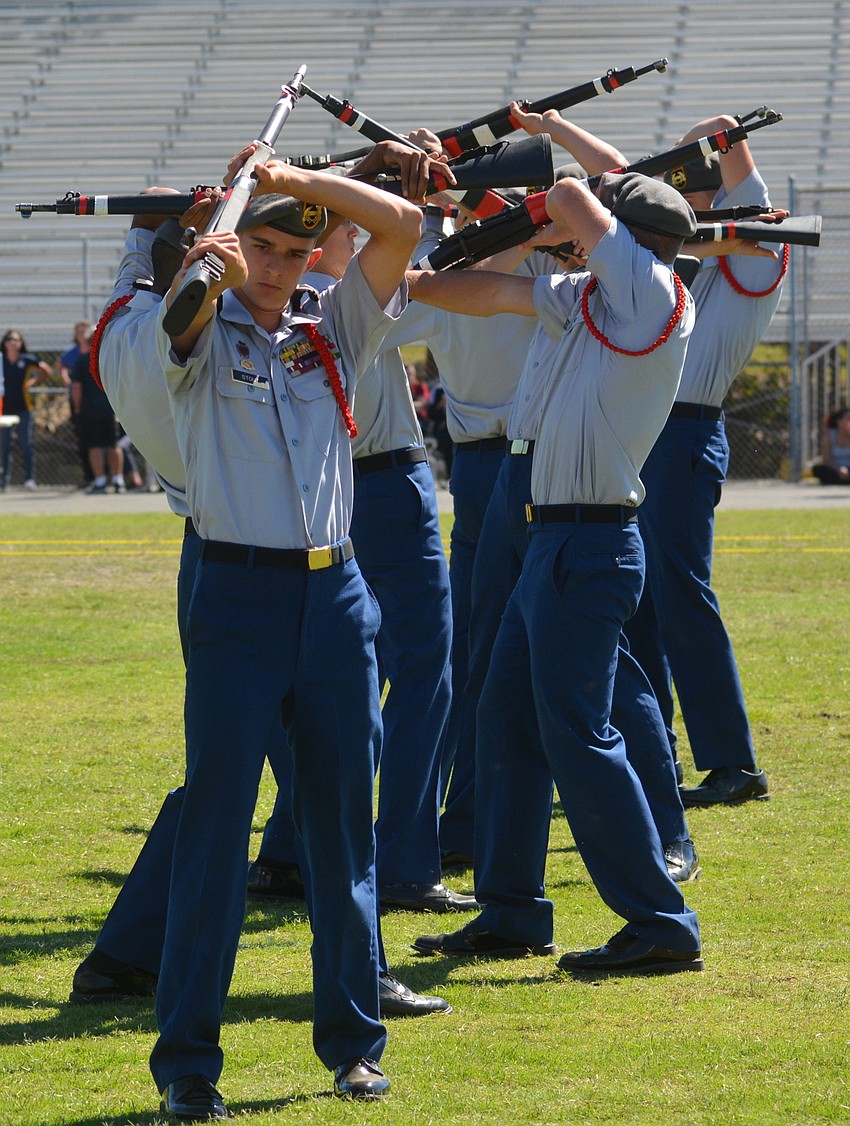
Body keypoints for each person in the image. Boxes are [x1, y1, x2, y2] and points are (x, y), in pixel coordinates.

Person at [139, 147, 425, 1116]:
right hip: (237, 597)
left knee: (344, 828)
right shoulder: (202, 330)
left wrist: (302, 181)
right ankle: (186, 1066)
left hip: (335, 598)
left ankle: (352, 1043)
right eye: (256, 246)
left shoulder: (333, 326)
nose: (271, 266)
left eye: (287, 251)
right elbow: (177, 322)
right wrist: (202, 269)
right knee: (216, 836)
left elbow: (403, 226)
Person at [403, 170, 703, 974]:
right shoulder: (594, 297)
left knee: (578, 735)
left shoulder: (651, 291)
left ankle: (662, 923)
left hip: (588, 544)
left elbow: (570, 193)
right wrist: (405, 279)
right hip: (553, 544)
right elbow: (488, 296)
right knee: (504, 724)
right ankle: (511, 912)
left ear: (624, 239)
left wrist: (542, 218)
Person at [247, 213, 474, 913]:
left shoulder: (271, 305)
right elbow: (428, 275)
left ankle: (288, 850)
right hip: (387, 482)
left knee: (339, 681)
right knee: (422, 678)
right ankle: (406, 859)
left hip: (324, 494)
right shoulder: (349, 295)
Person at [623, 117, 783, 808]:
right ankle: (649, 747)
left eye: (699, 197)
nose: (690, 214)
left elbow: (730, 150)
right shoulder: (699, 260)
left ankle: (732, 762)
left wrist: (708, 142)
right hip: (647, 431)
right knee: (644, 602)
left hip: (684, 432)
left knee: (682, 595)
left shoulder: (754, 253)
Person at [69, 328, 126, 495]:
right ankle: (118, 480)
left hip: (90, 409)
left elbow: (77, 388)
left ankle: (100, 481)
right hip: (110, 407)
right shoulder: (111, 358)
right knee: (112, 444)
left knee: (95, 446)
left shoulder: (82, 361)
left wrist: (78, 408)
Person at [0, 329, 52, 490]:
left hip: (23, 407)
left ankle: (29, 479)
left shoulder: (27, 359)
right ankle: (4, 481)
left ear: (21, 343)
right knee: (4, 445)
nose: (12, 342)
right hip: (5, 409)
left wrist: (32, 382)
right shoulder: (1, 360)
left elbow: (46, 371)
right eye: (9, 339)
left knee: (26, 444)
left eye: (16, 339)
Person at [812, 407, 850, 484]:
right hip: (835, 468)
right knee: (818, 470)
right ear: (839, 421)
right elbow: (827, 461)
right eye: (848, 419)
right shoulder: (829, 436)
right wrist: (839, 469)